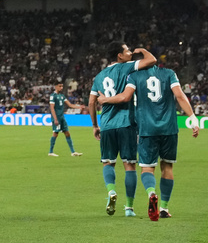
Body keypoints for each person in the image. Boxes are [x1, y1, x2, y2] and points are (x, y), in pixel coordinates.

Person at [98, 61, 199, 220]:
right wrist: (192, 117)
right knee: (167, 166)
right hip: (169, 128)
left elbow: (125, 97)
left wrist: (105, 100)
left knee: (147, 169)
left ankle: (151, 193)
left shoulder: (134, 76)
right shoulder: (169, 73)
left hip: (147, 129)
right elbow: (179, 95)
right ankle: (164, 208)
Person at [88, 43, 156, 217]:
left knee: (108, 162)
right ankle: (129, 208)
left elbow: (91, 102)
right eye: (127, 51)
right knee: (130, 166)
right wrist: (142, 51)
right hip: (127, 123)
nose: (131, 53)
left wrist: (95, 125)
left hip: (107, 125)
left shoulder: (99, 76)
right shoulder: (128, 67)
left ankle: (111, 192)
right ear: (119, 55)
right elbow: (152, 60)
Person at [48, 83, 83, 157]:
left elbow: (70, 105)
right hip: (56, 117)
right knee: (55, 133)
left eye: (62, 86)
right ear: (56, 86)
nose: (61, 88)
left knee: (67, 133)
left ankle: (73, 152)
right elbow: (52, 108)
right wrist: (55, 119)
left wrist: (79, 107)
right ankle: (50, 152)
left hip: (62, 117)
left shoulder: (62, 96)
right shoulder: (53, 96)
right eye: (60, 86)